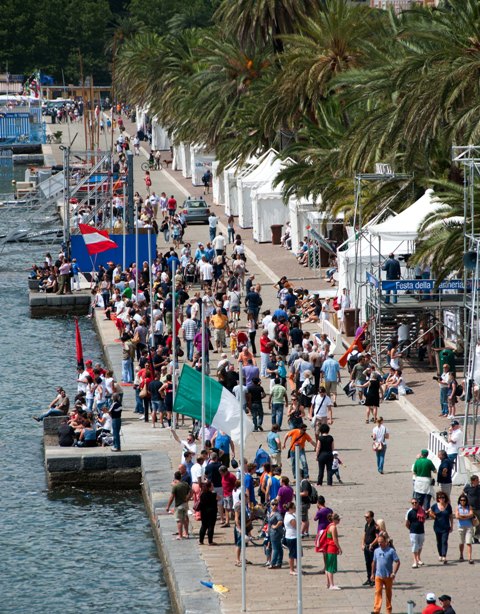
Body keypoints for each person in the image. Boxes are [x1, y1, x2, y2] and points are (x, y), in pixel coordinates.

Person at [371, 533, 401, 614]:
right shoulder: (376, 551)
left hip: (388, 576)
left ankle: (388, 610)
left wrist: (394, 573)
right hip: (378, 576)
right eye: (378, 542)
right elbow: (374, 562)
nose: (380, 543)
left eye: (381, 542)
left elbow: (397, 562)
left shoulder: (391, 551)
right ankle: (376, 610)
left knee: (388, 593)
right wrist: (372, 573)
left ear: (385, 542)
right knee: (378, 592)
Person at [165, 470, 191, 539]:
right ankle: (187, 534)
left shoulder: (175, 487)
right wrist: (187, 498)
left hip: (178, 505)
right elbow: (191, 492)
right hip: (185, 504)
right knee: (185, 519)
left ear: (175, 478)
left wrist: (168, 506)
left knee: (179, 520)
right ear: (181, 477)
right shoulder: (185, 484)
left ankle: (180, 535)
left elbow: (172, 497)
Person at [429, 491, 453, 563]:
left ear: (445, 498)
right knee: (439, 541)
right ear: (438, 499)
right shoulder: (435, 506)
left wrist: (452, 526)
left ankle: (444, 556)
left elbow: (451, 516)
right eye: (440, 498)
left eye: (443, 497)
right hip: (437, 526)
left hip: (446, 526)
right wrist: (432, 515)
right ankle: (440, 554)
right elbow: (430, 512)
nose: (441, 499)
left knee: (444, 541)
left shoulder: (448, 506)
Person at [405, 498, 426, 568]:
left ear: (418, 503)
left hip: (421, 531)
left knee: (420, 545)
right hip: (413, 532)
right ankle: (415, 561)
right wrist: (411, 529)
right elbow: (407, 523)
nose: (414, 504)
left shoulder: (422, 511)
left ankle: (418, 558)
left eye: (415, 502)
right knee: (414, 546)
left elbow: (424, 520)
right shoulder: (409, 512)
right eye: (413, 503)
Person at [324, 512, 342, 590]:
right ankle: (331, 585)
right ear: (335, 520)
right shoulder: (333, 527)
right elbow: (335, 539)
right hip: (332, 548)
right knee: (331, 567)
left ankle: (328, 583)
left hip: (328, 548)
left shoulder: (329, 526)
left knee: (327, 567)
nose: (339, 521)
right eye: (338, 519)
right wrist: (339, 548)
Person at [455, 493, 475, 564]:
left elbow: (471, 514)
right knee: (461, 542)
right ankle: (461, 554)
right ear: (459, 501)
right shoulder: (458, 507)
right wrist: (467, 516)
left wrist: (463, 516)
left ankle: (470, 558)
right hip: (461, 527)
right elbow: (457, 516)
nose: (462, 501)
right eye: (461, 500)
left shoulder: (469, 507)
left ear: (466, 501)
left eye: (464, 500)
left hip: (469, 527)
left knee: (468, 542)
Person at [197, 480, 219, 546]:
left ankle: (201, 541)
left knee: (203, 526)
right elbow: (219, 498)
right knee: (211, 526)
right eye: (212, 486)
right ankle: (210, 541)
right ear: (209, 487)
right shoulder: (213, 494)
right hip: (212, 512)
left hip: (203, 512)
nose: (213, 487)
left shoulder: (202, 494)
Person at [362, 511, 378, 586]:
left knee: (373, 563)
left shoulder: (375, 526)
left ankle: (373, 578)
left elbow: (377, 537)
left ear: (371, 517)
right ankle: (369, 578)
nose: (366, 518)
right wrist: (362, 544)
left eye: (367, 517)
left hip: (372, 547)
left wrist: (372, 544)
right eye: (365, 517)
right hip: (366, 546)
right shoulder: (366, 524)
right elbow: (364, 534)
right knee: (367, 562)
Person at [462, 474, 480, 543]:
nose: (478, 481)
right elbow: (463, 493)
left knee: (478, 523)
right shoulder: (468, 487)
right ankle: (470, 537)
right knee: (470, 523)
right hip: (470, 508)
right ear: (473, 481)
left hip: (478, 508)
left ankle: (476, 536)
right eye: (477, 480)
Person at [267, 499, 284, 569]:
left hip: (275, 533)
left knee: (275, 548)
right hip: (272, 532)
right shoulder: (271, 512)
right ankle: (279, 562)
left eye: (276, 504)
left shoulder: (277, 513)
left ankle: (273, 563)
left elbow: (280, 521)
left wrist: (275, 526)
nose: (274, 506)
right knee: (279, 548)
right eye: (273, 504)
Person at [284, 501, 299, 576]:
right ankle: (291, 569)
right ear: (290, 509)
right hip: (292, 536)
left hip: (293, 536)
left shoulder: (290, 515)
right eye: (294, 508)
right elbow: (295, 526)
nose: (295, 509)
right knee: (292, 554)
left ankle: (296, 568)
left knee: (296, 554)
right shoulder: (290, 517)